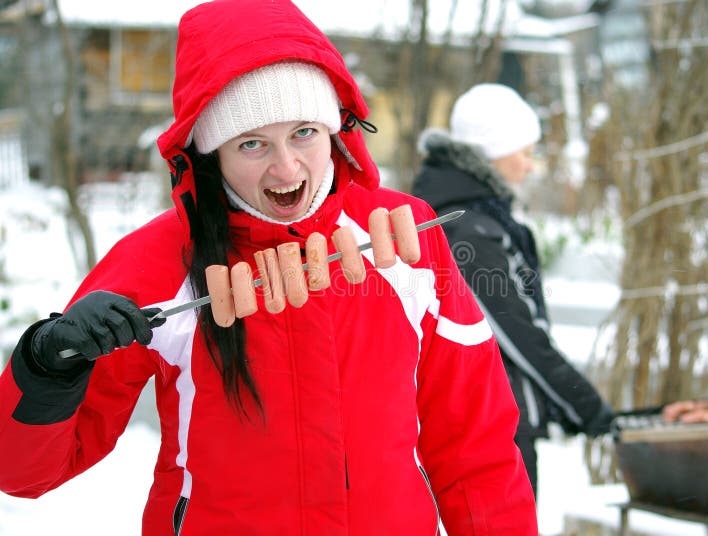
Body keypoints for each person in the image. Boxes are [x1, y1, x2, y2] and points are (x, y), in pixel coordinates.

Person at [0, 3, 538, 535]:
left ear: (334, 129)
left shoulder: (401, 236)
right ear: (212, 153)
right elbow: (22, 472)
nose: (286, 168)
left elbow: (477, 447)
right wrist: (51, 362)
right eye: (252, 143)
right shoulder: (161, 263)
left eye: (304, 132)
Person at [413, 83, 615, 495]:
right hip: (487, 426)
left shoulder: (468, 216)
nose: (530, 166)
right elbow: (519, 334)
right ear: (490, 153)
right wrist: (588, 407)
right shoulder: (466, 227)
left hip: (478, 422)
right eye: (524, 152)